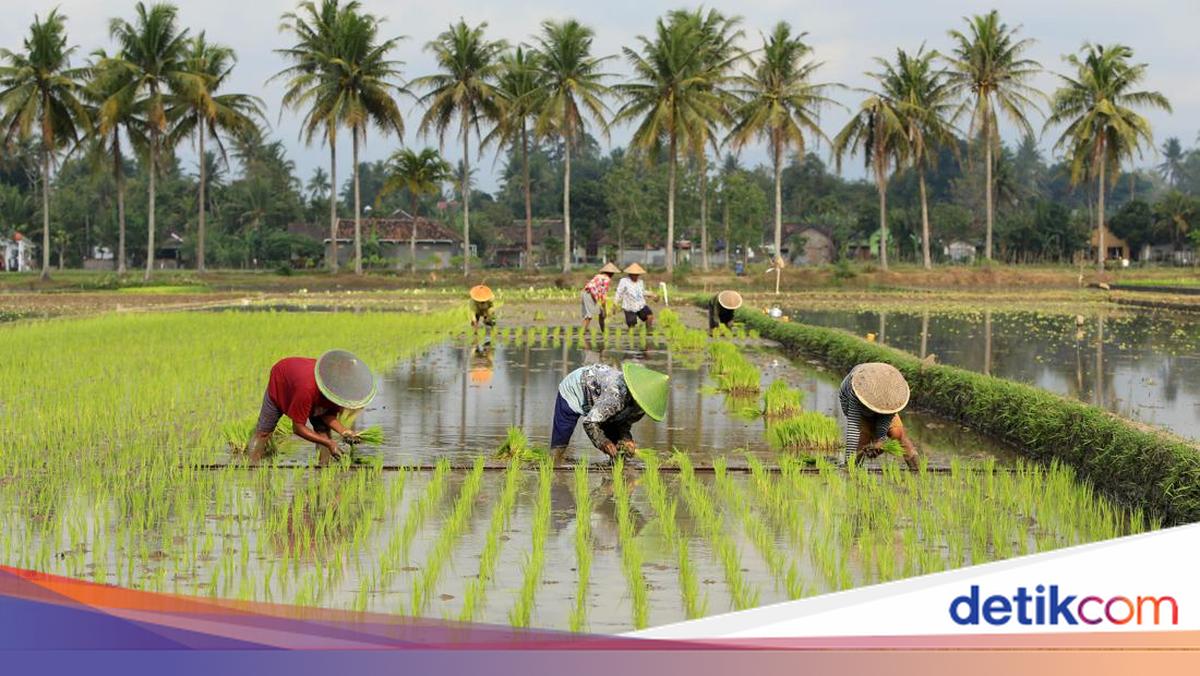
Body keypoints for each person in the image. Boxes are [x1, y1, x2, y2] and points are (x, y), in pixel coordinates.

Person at [248, 349, 377, 463]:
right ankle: (252, 467)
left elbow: (327, 414)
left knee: (324, 432)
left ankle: (323, 468)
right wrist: (329, 443)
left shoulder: (337, 390)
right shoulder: (306, 389)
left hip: (307, 389)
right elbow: (298, 428)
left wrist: (344, 431)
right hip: (281, 380)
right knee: (264, 432)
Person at [551, 362, 669, 462]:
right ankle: (554, 461)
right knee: (562, 436)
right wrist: (603, 443)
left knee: (620, 451)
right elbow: (589, 423)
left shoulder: (640, 408)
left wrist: (626, 439)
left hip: (600, 398)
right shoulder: (616, 395)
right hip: (574, 388)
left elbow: (623, 423)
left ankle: (615, 477)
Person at [838, 362, 919, 470]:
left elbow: (886, 417)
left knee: (897, 433)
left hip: (886, 402)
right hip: (860, 407)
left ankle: (918, 469)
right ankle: (853, 468)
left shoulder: (890, 392)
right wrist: (849, 463)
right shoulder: (855, 389)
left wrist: (881, 440)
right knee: (863, 439)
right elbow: (853, 430)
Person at [615, 263, 655, 329]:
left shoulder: (640, 282)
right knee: (631, 325)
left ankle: (648, 331)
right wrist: (615, 304)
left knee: (649, 316)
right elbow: (619, 292)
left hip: (640, 305)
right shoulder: (624, 281)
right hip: (629, 306)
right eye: (634, 274)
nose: (636, 276)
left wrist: (652, 294)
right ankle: (631, 337)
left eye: (637, 274)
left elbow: (642, 292)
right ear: (630, 274)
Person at [582, 262, 619, 332]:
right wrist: (605, 309)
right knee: (589, 316)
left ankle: (603, 331)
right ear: (611, 273)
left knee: (600, 314)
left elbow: (597, 291)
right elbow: (603, 296)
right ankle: (582, 333)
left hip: (587, 293)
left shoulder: (598, 276)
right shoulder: (606, 279)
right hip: (590, 295)